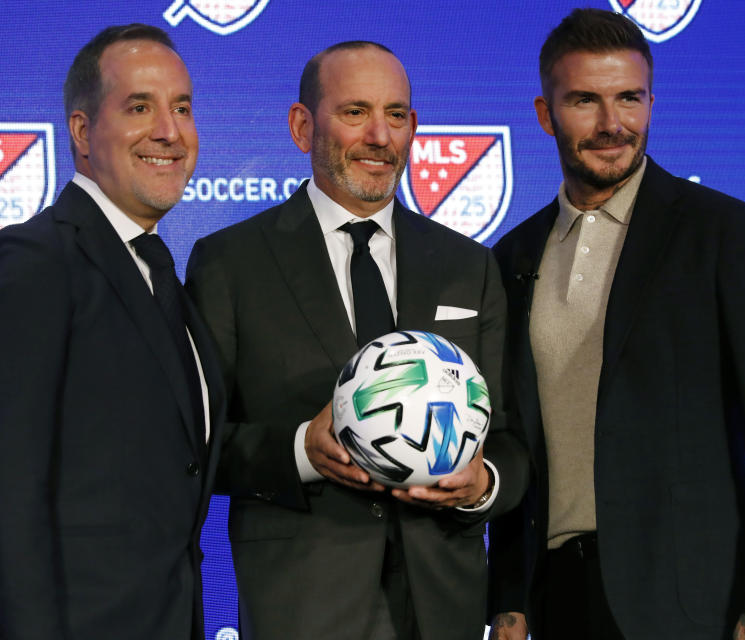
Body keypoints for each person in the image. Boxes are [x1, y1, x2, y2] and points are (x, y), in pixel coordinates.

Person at [487, 8, 745, 640]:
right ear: (544, 114)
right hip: (559, 600)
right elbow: (514, 440)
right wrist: (509, 596)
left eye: (630, 99)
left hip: (697, 602)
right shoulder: (511, 258)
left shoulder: (720, 232)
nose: (613, 124)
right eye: (585, 100)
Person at [186, 41, 529, 639]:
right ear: (302, 126)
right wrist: (301, 451)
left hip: (443, 604)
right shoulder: (229, 264)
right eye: (354, 112)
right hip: (303, 605)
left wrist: (481, 485)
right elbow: (194, 445)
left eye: (396, 115)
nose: (380, 135)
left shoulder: (467, 265)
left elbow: (511, 440)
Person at [0, 24, 225, 640]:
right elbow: (7, 494)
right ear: (81, 132)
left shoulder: (161, 277)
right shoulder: (35, 260)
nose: (169, 131)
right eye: (139, 107)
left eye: (182, 107)